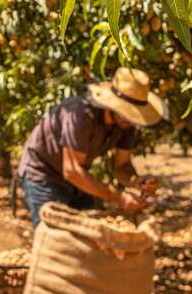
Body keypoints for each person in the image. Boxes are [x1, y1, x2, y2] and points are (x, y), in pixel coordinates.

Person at [16, 67, 165, 227]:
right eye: (127, 112)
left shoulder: (125, 124)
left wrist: (137, 181)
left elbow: (122, 166)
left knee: (86, 233)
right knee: (52, 234)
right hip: (43, 172)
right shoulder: (80, 114)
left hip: (78, 176)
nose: (131, 119)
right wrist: (118, 197)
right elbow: (71, 170)